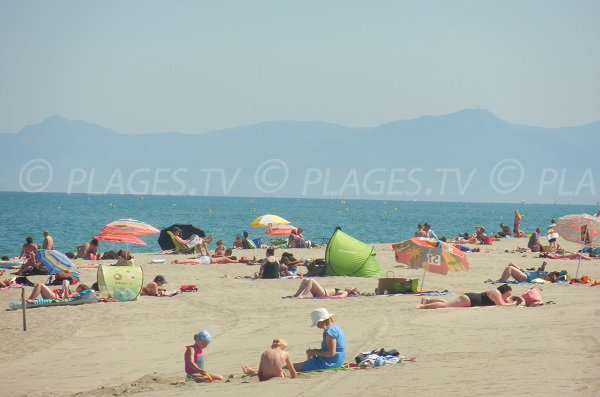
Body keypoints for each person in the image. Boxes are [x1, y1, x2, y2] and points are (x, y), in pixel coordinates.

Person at [419, 284, 521, 309]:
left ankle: (427, 301)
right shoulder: (496, 293)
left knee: (448, 302)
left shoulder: (499, 294)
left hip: (470, 299)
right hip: (470, 300)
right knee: (447, 305)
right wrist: (514, 304)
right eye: (509, 294)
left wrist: (514, 300)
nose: (509, 296)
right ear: (505, 291)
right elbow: (501, 304)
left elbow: (506, 301)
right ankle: (423, 307)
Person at [284, 278, 359, 299]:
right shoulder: (343, 290)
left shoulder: (345, 293)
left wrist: (328, 297)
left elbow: (340, 297)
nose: (349, 286)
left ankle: (303, 295)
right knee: (306, 280)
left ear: (351, 291)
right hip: (322, 292)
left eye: (351, 287)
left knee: (312, 280)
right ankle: (296, 295)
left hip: (324, 293)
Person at [26, 280, 90, 302]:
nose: (77, 287)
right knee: (40, 285)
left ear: (81, 289)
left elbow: (68, 297)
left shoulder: (76, 293)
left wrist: (67, 288)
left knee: (40, 285)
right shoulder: (75, 292)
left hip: (55, 297)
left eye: (79, 287)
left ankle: (30, 299)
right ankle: (31, 299)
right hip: (55, 296)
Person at [496, 262, 561, 283]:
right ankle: (501, 279)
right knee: (511, 264)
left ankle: (502, 281)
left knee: (509, 268)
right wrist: (542, 267)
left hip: (526, 277)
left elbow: (539, 273)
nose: (551, 272)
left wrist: (542, 269)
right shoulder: (545, 274)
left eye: (552, 273)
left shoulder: (548, 278)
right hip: (525, 273)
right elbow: (539, 270)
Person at [172, 253, 238, 265]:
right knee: (194, 262)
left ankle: (179, 261)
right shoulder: (225, 259)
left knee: (193, 261)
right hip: (208, 260)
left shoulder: (222, 257)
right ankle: (178, 262)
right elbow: (234, 262)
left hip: (207, 258)